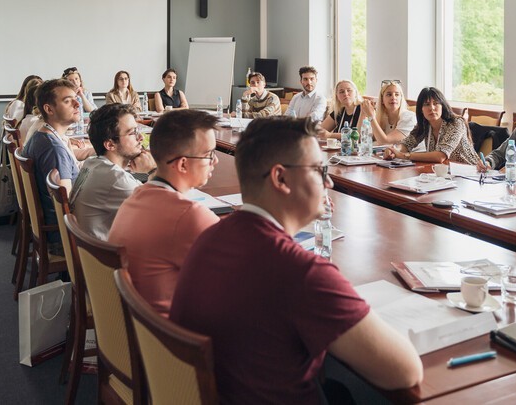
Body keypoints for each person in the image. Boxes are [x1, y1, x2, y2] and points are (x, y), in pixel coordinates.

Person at [170, 117, 422, 403]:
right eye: (318, 170)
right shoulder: (299, 271)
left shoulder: (210, 238)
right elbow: (405, 372)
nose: (329, 181)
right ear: (281, 178)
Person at [109, 110, 220, 316]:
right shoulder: (189, 216)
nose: (215, 161)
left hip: (136, 331)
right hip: (169, 341)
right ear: (183, 163)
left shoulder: (135, 197)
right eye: (209, 155)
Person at [70, 104, 156, 241]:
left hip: (89, 253)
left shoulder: (92, 163)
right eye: (132, 133)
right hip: (106, 259)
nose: (140, 138)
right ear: (110, 145)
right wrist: (153, 170)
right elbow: (165, 208)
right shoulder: (116, 180)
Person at [22, 79, 82, 228]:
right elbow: (67, 205)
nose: (77, 104)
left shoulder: (42, 135)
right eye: (68, 101)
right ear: (49, 109)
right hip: (63, 236)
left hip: (55, 227)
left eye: (76, 99)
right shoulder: (54, 150)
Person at [384, 87, 479, 164]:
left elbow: (440, 156)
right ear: (421, 109)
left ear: (443, 106)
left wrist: (404, 155)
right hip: (444, 174)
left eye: (436, 103)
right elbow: (407, 143)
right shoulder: (425, 124)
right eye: (426, 104)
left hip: (470, 174)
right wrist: (394, 150)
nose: (432, 108)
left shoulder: (456, 123)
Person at [361, 79, 417, 144]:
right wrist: (363, 112)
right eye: (389, 94)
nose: (393, 97)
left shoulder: (409, 117)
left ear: (401, 98)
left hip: (414, 153)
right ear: (382, 100)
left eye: (397, 94)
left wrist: (371, 116)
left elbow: (385, 142)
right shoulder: (381, 117)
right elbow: (360, 138)